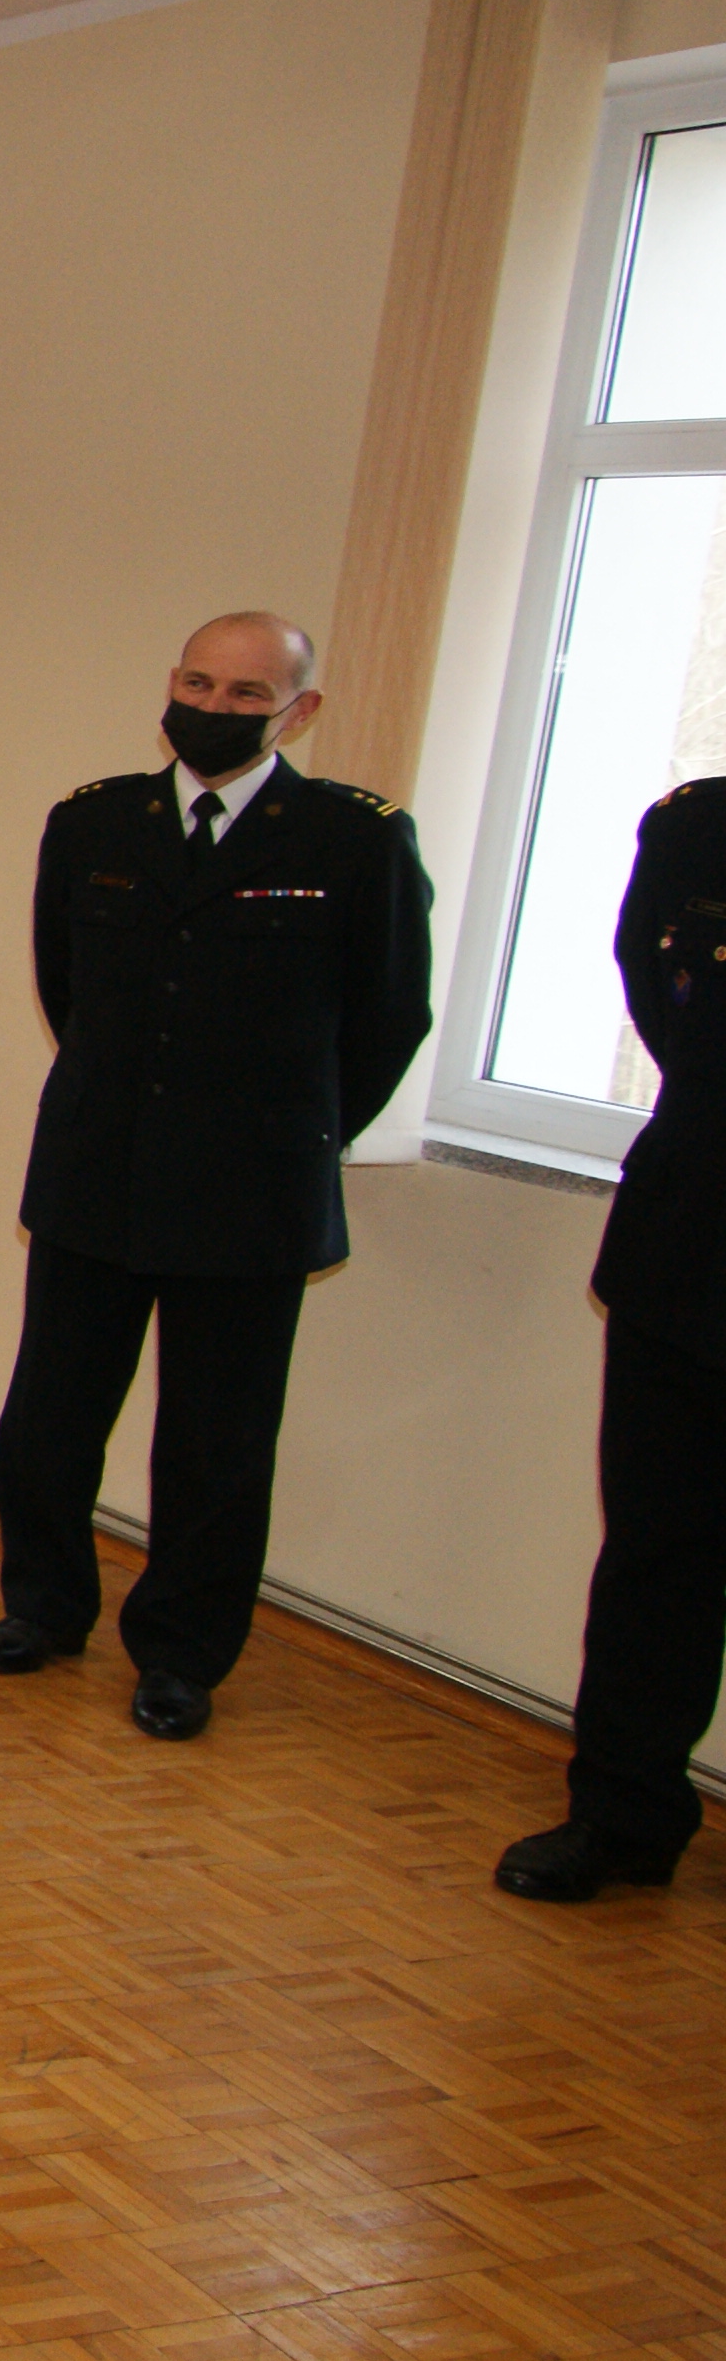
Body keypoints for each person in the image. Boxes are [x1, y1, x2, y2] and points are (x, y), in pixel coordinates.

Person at [0, 610, 433, 1741]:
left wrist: (297, 1135)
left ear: (298, 712)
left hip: (252, 1192)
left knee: (215, 1445)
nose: (213, 709)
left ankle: (180, 1655)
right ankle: (42, 1608)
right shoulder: (93, 823)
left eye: (245, 695)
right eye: (197, 684)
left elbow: (387, 1017)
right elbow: (65, 984)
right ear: (170, 684)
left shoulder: (354, 840)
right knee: (48, 1419)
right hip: (98, 1168)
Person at [498, 777, 726, 1901]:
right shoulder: (694, 829)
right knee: (653, 1558)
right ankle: (623, 1815)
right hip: (687, 1247)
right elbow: (661, 1001)